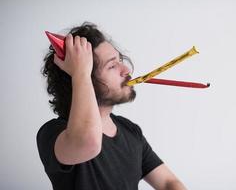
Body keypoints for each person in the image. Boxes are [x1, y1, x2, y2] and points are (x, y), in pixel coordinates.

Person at [37, 22, 187, 190]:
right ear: (83, 78)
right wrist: (80, 72)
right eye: (112, 65)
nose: (126, 70)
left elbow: (169, 183)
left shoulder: (130, 130)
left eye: (120, 60)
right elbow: (89, 142)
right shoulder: (53, 133)